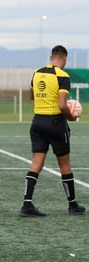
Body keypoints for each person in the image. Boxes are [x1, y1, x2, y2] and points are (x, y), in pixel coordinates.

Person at [20, 45, 85, 217]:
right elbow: (63, 104)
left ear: (51, 57)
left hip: (37, 122)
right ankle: (72, 205)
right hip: (55, 123)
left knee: (36, 162)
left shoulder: (37, 72)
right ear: (64, 58)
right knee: (64, 164)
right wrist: (71, 116)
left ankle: (26, 204)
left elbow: (32, 96)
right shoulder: (63, 76)